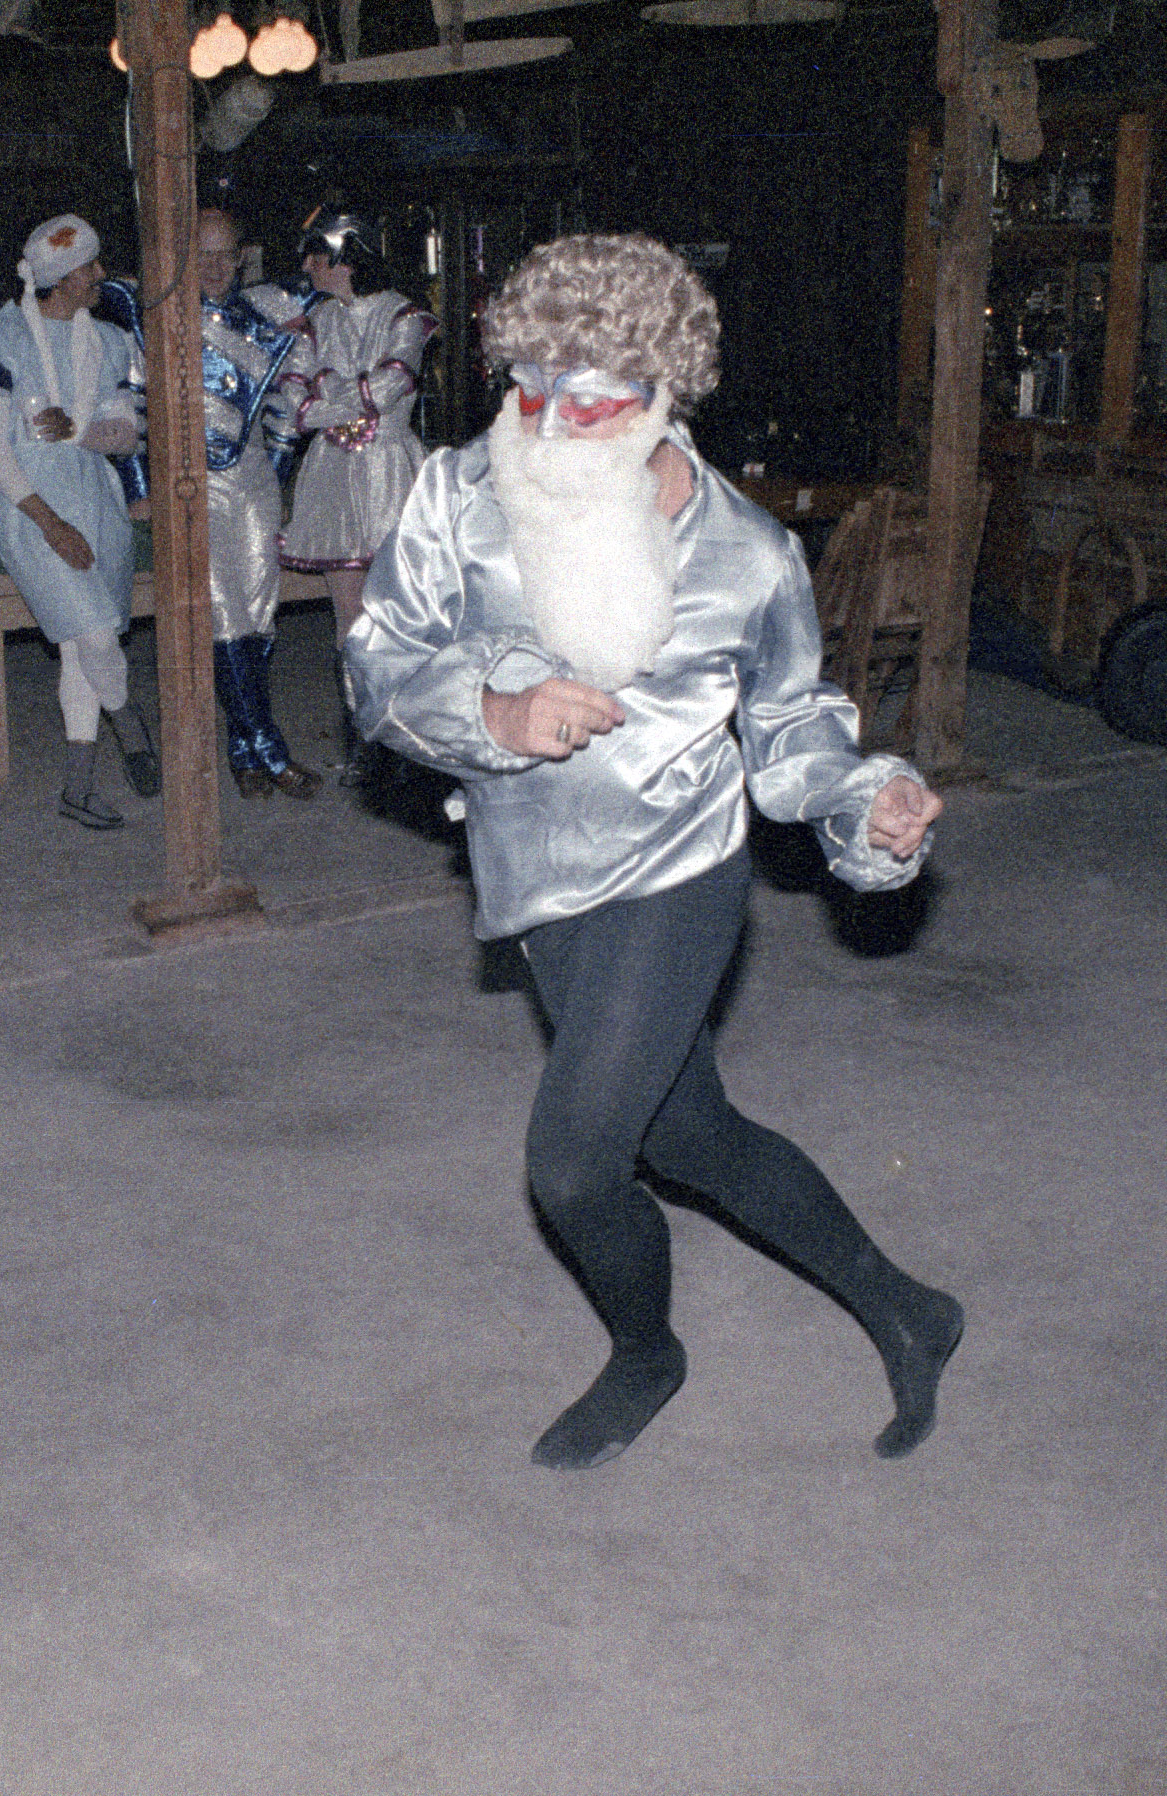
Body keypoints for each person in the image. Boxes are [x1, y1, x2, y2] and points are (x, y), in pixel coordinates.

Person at [342, 232, 962, 1471]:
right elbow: (377, 666)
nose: (545, 421)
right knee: (687, 1135)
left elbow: (791, 733)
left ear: (661, 392)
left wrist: (868, 802)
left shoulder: (746, 552)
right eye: (525, 388)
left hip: (678, 863)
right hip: (535, 869)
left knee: (573, 1162)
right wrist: (493, 714)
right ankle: (911, 1309)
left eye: (585, 399)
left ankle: (646, 1353)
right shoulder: (464, 494)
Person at [0, 213, 157, 829]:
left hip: (94, 493)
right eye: (89, 267)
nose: (100, 275)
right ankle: (129, 721)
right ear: (61, 278)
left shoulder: (109, 341)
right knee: (96, 634)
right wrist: (51, 524)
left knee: (82, 644)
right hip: (27, 503)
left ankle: (77, 788)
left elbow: (127, 434)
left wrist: (78, 432)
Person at [277, 209, 435, 781]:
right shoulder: (315, 321)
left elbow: (393, 384)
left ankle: (413, 738)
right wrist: (342, 404)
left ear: (345, 257)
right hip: (333, 474)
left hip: (390, 473)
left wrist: (330, 394)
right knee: (347, 614)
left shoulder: (404, 315)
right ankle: (363, 741)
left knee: (400, 609)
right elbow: (295, 399)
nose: (306, 266)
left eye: (315, 255)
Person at [194, 207, 321, 799]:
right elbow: (135, 407)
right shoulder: (162, 321)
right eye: (202, 252)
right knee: (222, 616)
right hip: (194, 484)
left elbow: (288, 404)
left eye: (225, 253)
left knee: (259, 612)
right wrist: (143, 489)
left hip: (254, 477)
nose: (214, 265)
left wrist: (278, 463)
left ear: (242, 256)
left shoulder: (266, 310)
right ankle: (271, 750)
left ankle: (243, 753)